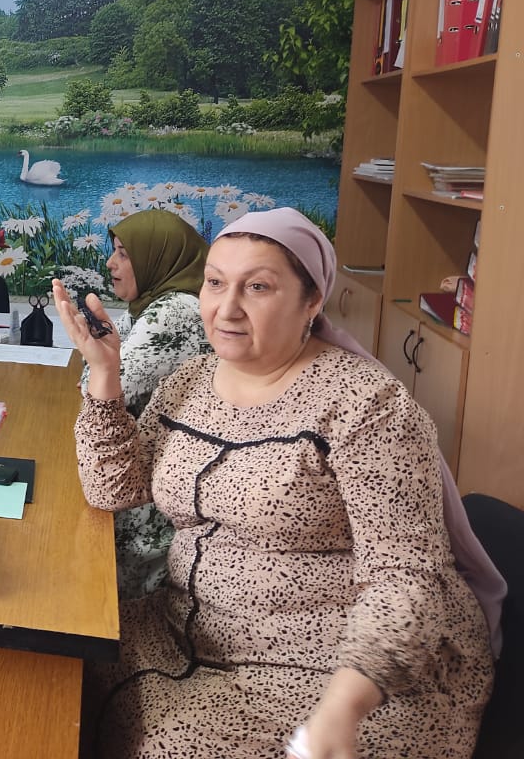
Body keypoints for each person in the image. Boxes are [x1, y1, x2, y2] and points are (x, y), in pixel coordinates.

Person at [52, 207, 500, 759]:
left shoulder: (368, 406)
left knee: (171, 746)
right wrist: (104, 375)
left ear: (312, 301)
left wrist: (344, 705)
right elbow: (115, 490)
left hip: (334, 667)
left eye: (258, 287)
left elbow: (406, 576)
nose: (227, 308)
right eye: (215, 283)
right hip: (186, 629)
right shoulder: (190, 381)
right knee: (56, 673)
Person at [85, 208, 211, 601]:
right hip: (144, 471)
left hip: (150, 498)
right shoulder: (152, 303)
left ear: (158, 257)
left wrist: (94, 367)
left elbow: (100, 387)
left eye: (124, 254)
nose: (111, 263)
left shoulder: (175, 312)